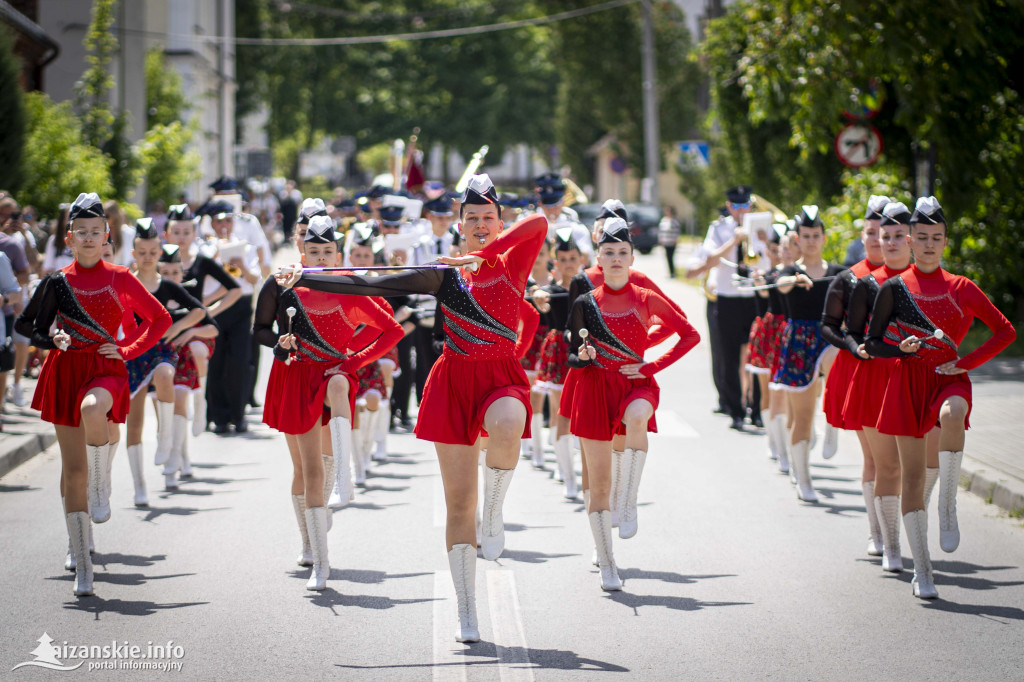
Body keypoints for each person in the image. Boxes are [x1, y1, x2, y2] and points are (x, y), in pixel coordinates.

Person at [277, 174, 546, 642]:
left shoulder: (511, 259)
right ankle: (467, 610)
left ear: (499, 221)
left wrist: (484, 252)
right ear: (459, 223)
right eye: (473, 219)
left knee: (509, 421)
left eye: (489, 218)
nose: (481, 225)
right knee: (459, 504)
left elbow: (539, 221)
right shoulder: (444, 272)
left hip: (500, 376)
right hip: (454, 380)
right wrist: (309, 276)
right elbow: (376, 283)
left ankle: (496, 511)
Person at [18, 193, 171, 596]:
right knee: (72, 475)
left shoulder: (121, 276)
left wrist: (127, 350)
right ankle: (81, 557)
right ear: (69, 239)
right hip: (65, 371)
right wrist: (52, 339)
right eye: (81, 232)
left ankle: (103, 485)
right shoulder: (57, 281)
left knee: (92, 412)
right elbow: (26, 325)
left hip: (105, 370)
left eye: (96, 232)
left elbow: (160, 319)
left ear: (107, 237)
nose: (88, 238)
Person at [865, 196, 1015, 599]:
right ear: (910, 239)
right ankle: (923, 571)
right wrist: (902, 349)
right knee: (911, 478)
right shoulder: (893, 288)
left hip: (949, 378)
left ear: (945, 241)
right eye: (923, 237)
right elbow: (873, 343)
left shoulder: (962, 287)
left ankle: (947, 503)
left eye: (937, 237)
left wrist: (967, 363)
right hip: (906, 383)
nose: (929, 244)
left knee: (954, 415)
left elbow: (1006, 331)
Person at [255, 215, 402, 590]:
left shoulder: (349, 287)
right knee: (306, 472)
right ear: (302, 250)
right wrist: (279, 344)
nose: (320, 259)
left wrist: (352, 361)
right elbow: (259, 329)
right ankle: (311, 543)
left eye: (327, 252)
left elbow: (391, 329)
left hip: (331, 375)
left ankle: (343, 486)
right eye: (313, 251)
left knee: (324, 460)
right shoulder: (283, 284)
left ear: (337, 252)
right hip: (293, 378)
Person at [566, 217, 699, 590]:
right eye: (609, 252)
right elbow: (571, 354)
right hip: (594, 391)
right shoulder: (584, 302)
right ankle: (607, 562)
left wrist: (650, 363)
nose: (616, 259)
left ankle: (630, 500)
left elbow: (689, 334)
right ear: (598, 258)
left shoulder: (646, 297)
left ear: (632, 258)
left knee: (638, 415)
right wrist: (586, 355)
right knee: (598, 483)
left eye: (623, 252)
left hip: (635, 385)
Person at [841, 201, 914, 568]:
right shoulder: (865, 284)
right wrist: (863, 349)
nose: (891, 242)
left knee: (915, 466)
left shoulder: (926, 280)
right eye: (886, 236)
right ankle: (886, 540)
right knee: (881, 463)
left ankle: (911, 531)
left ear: (912, 238)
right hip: (874, 378)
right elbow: (853, 334)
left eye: (900, 235)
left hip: (916, 378)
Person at [820, 196, 891, 554]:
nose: (878, 239)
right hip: (858, 367)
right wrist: (851, 345)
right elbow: (829, 327)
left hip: (897, 370)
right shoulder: (848, 279)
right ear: (861, 237)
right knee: (874, 457)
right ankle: (876, 531)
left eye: (884, 232)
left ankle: (898, 523)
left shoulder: (905, 277)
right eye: (871, 233)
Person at [123, 221, 208, 497]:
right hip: (133, 352)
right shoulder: (124, 281)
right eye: (142, 252)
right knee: (134, 422)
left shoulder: (167, 287)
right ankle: (139, 486)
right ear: (134, 253)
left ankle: (166, 439)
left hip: (162, 350)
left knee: (165, 375)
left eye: (152, 251)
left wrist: (176, 329)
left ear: (160, 253)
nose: (147, 257)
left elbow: (198, 311)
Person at [770, 206, 846, 503]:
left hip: (828, 335)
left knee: (839, 364)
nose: (811, 240)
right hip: (798, 342)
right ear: (798, 239)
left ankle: (833, 424)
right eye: (806, 236)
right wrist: (795, 280)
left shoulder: (839, 272)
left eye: (816, 235)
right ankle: (803, 479)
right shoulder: (790, 270)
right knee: (801, 417)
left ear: (824, 238)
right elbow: (781, 284)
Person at [163, 204, 242, 434]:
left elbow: (234, 289)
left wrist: (207, 310)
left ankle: (201, 401)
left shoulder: (201, 261)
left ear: (194, 234)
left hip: (197, 326)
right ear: (166, 234)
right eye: (176, 232)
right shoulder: (157, 261)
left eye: (186, 232)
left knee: (197, 350)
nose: (181, 237)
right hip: (166, 327)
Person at [687, 186, 759, 430]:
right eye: (736, 206)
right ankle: (735, 410)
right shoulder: (718, 229)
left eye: (745, 205)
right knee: (728, 356)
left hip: (753, 295)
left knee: (756, 355)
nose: (741, 210)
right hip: (728, 297)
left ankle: (756, 408)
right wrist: (734, 240)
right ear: (729, 206)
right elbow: (710, 260)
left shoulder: (761, 224)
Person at [533, 229, 583, 497]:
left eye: (572, 258)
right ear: (556, 261)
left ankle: (575, 464)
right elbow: (538, 300)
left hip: (582, 351)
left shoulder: (587, 287)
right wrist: (538, 296)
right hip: (558, 351)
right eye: (562, 259)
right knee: (558, 411)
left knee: (581, 412)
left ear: (580, 259)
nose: (568, 264)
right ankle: (566, 473)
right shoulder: (549, 292)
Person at [658, 206, 682, 278]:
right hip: (665, 242)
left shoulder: (674, 221)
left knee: (671, 257)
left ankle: (673, 272)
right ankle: (670, 272)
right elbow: (661, 231)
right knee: (667, 257)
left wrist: (675, 240)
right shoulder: (664, 220)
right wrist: (661, 240)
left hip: (672, 242)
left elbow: (677, 232)